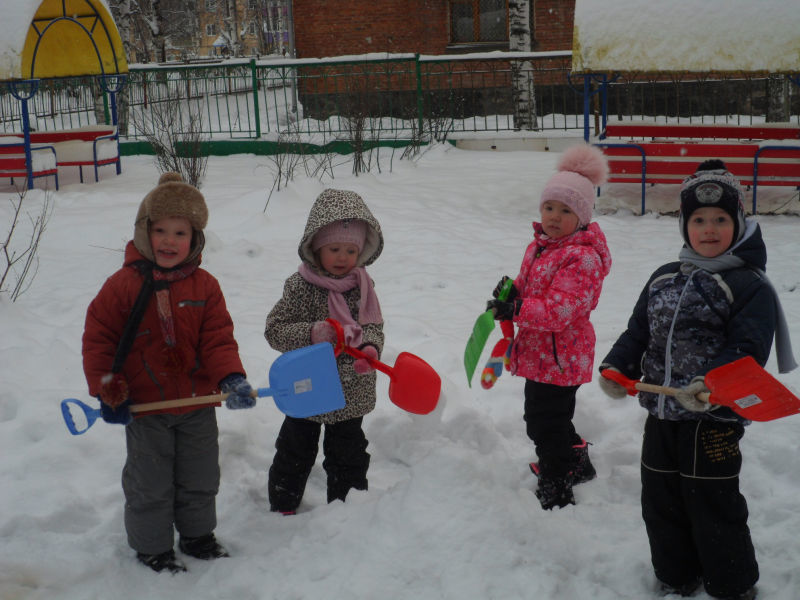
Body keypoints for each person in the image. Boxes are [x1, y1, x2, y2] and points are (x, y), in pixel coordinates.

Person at [598, 160, 796, 600]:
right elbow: (638, 332)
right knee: (660, 499)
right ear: (685, 225)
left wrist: (709, 384)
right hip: (663, 415)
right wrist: (616, 367)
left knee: (712, 503)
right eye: (699, 220)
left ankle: (731, 585)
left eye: (721, 219)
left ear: (738, 223)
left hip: (715, 419)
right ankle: (675, 574)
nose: (709, 229)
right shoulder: (664, 277)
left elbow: (748, 350)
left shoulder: (747, 285)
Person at [82, 172, 256, 574]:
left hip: (196, 403)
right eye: (160, 230)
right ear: (144, 231)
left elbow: (217, 339)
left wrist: (230, 377)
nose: (169, 241)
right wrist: (109, 391)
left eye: (180, 232)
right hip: (145, 408)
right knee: (150, 482)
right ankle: (152, 547)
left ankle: (197, 536)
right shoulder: (122, 286)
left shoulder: (205, 285)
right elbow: (100, 342)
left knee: (200, 476)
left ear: (195, 238)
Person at [487, 144, 612, 510]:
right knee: (548, 419)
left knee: (545, 425)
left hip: (561, 357)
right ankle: (577, 461)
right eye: (549, 207)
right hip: (541, 353)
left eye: (566, 210)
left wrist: (519, 308)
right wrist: (512, 294)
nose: (554, 217)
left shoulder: (583, 257)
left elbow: (560, 310)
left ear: (583, 216)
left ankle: (557, 486)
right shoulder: (541, 245)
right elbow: (535, 291)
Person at [265, 188, 384, 514]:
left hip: (351, 387)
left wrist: (371, 349)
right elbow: (274, 330)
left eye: (351, 250)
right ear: (316, 247)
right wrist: (312, 332)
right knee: (295, 446)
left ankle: (348, 508)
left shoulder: (363, 286)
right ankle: (284, 501)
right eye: (334, 249)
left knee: (349, 450)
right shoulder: (300, 286)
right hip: (308, 384)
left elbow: (373, 325)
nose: (343, 258)